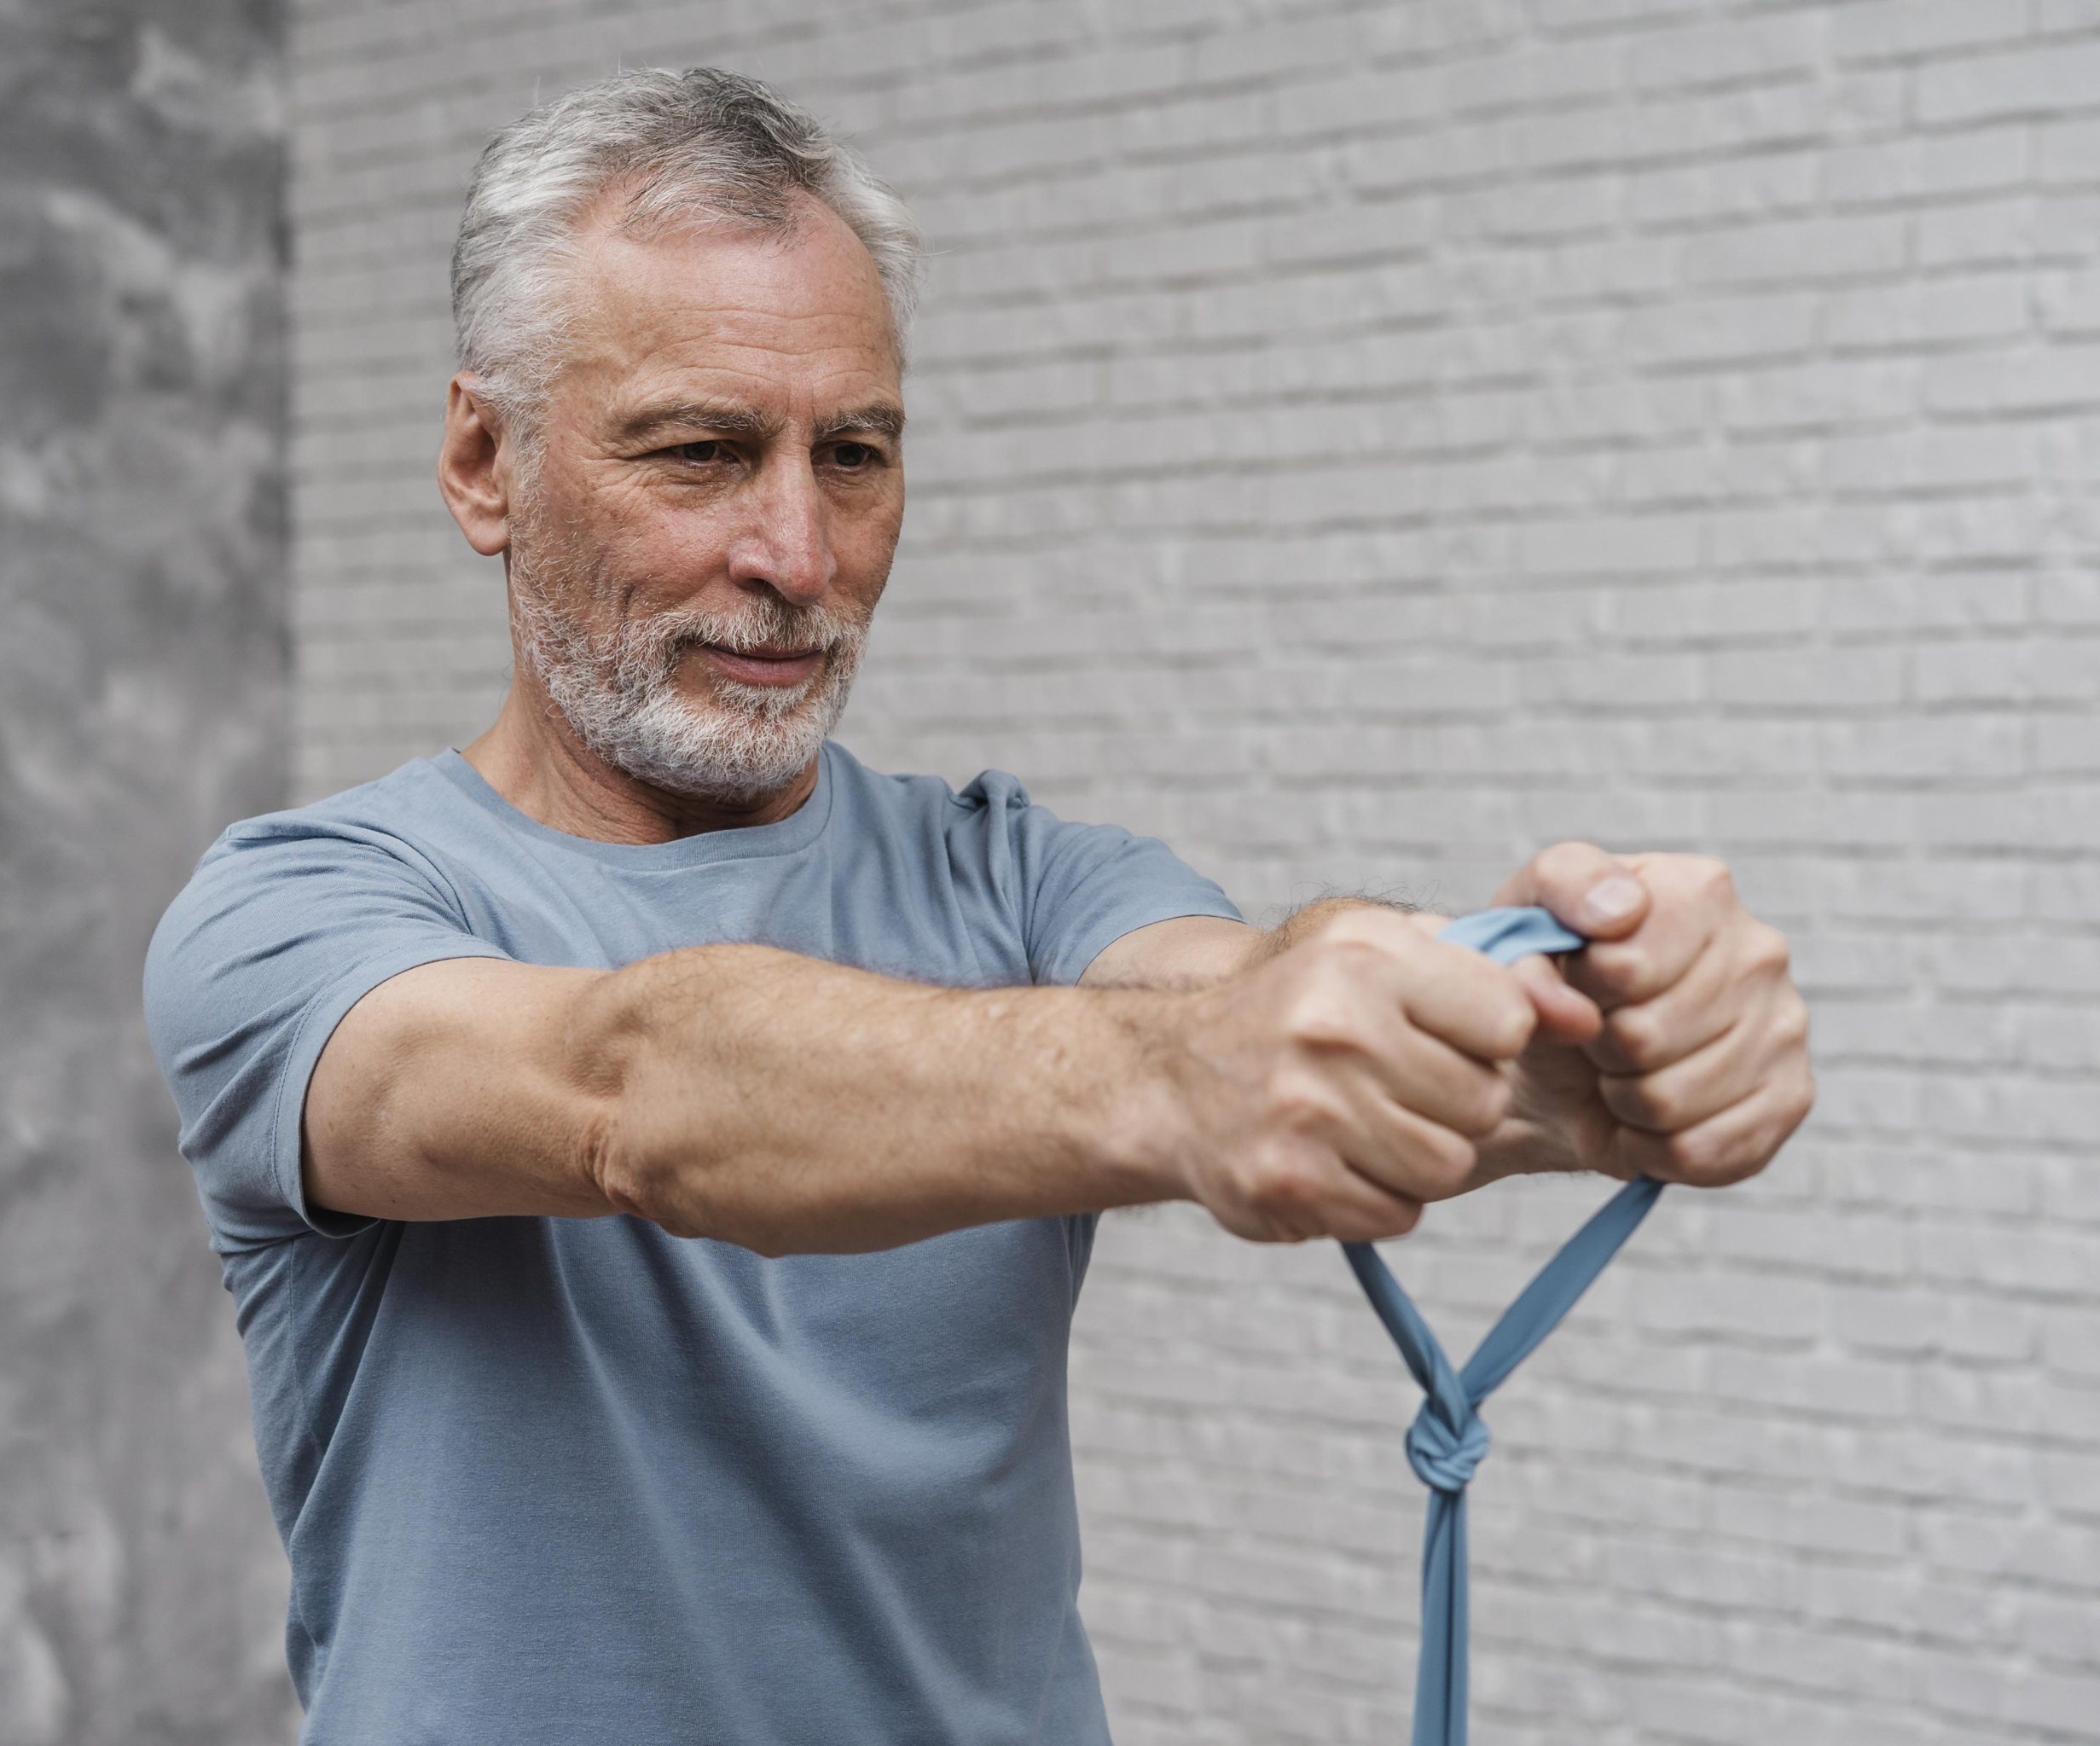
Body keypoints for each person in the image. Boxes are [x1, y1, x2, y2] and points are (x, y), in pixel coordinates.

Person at [142, 67, 1813, 1746]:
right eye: (701, 453)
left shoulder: (1024, 878)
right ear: (481, 462)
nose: (797, 552)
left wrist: (1604, 1033)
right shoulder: (298, 915)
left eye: (852, 455)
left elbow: (1258, 994)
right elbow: (626, 1092)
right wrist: (1174, 1076)